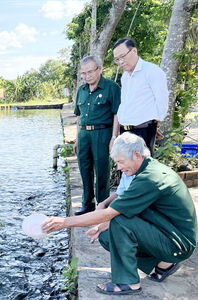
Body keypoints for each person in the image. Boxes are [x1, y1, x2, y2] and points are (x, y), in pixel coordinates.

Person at [42, 132, 197, 295]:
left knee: (117, 221)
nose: (119, 168)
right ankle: (163, 262)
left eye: (121, 162)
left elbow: (111, 214)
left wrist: (65, 222)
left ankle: (128, 282)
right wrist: (103, 225)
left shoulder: (151, 179)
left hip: (179, 243)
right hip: (168, 233)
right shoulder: (148, 170)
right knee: (107, 236)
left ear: (137, 155)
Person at [73, 56, 120, 215]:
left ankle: (102, 205)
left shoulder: (111, 87)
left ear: (100, 69)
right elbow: (78, 116)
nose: (87, 76)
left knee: (101, 170)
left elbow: (116, 114)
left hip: (102, 133)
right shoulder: (81, 90)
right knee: (84, 169)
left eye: (90, 72)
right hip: (84, 133)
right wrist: (77, 138)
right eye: (83, 74)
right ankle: (87, 204)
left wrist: (114, 137)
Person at [112, 38, 169, 156]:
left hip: (143, 130)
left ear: (134, 51)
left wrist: (154, 124)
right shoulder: (125, 76)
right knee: (126, 168)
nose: (121, 62)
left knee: (142, 168)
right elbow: (125, 103)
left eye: (123, 56)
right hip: (125, 131)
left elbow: (162, 100)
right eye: (117, 59)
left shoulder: (151, 71)